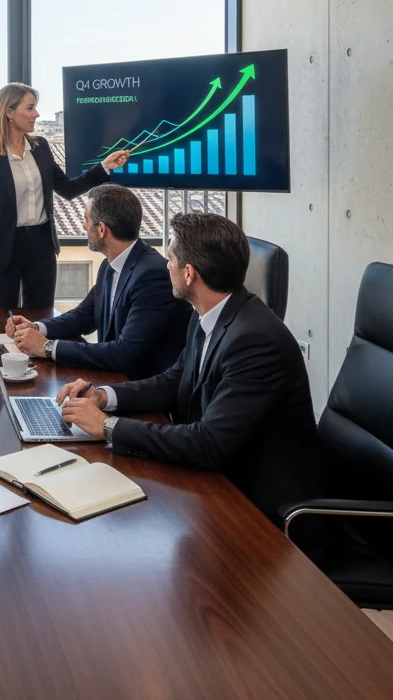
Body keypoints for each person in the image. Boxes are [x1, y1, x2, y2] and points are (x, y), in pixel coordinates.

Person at [56, 213, 322, 526]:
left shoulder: (256, 340)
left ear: (189, 273)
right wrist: (103, 396)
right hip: (218, 483)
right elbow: (173, 380)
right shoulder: (205, 312)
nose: (165, 266)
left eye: (170, 258)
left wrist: (108, 426)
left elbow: (209, 443)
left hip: (265, 514)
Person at [0, 83, 131, 308]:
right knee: (0, 323)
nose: (37, 114)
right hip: (0, 251)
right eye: (30, 108)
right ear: (9, 112)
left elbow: (68, 189)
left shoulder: (41, 147)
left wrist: (104, 167)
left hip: (41, 247)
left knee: (41, 320)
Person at [6, 184, 191, 377]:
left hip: (142, 393)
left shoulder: (153, 274)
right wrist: (37, 328)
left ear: (102, 229)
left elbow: (125, 353)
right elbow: (83, 316)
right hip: (113, 380)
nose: (83, 227)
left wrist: (47, 347)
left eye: (86, 220)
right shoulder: (109, 266)